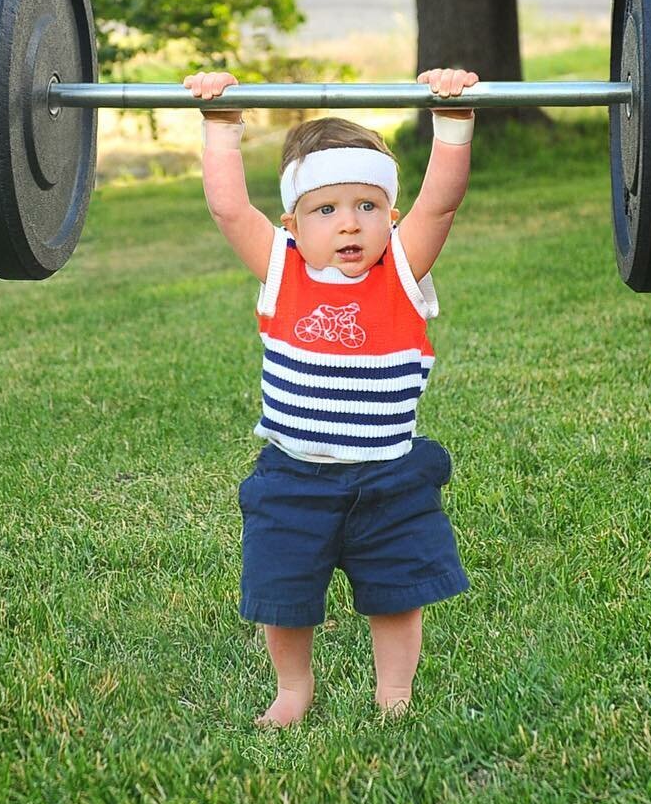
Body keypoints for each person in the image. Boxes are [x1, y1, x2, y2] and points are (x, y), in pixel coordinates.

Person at [185, 66, 478, 728]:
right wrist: (221, 126)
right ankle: (293, 689)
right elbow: (230, 208)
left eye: (367, 206)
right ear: (293, 222)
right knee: (282, 596)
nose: (349, 225)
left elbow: (442, 203)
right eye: (327, 209)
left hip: (389, 476)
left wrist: (452, 119)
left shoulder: (400, 270)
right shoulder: (283, 267)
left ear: (390, 217)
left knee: (397, 595)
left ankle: (394, 695)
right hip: (294, 476)